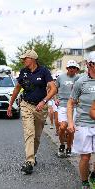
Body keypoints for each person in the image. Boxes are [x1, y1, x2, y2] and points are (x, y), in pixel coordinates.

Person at [7, 49, 56, 175]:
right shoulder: (23, 72)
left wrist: (44, 101)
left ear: (32, 59)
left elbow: (53, 89)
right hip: (26, 105)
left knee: (37, 137)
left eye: (25, 58)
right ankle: (29, 161)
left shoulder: (44, 71)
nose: (23, 60)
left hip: (41, 107)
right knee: (29, 132)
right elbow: (17, 88)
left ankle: (32, 155)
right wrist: (10, 104)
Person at [67, 52, 95, 189]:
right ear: (89, 64)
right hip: (83, 123)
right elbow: (71, 103)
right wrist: (70, 123)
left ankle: (93, 174)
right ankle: (85, 182)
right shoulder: (80, 82)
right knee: (85, 157)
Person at [55, 60, 80, 158]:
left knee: (71, 130)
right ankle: (62, 144)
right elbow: (54, 89)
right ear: (67, 68)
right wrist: (56, 99)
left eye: (74, 67)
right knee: (62, 127)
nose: (72, 69)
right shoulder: (61, 77)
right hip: (62, 105)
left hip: (74, 107)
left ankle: (69, 147)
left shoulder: (78, 78)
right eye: (70, 67)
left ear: (76, 69)